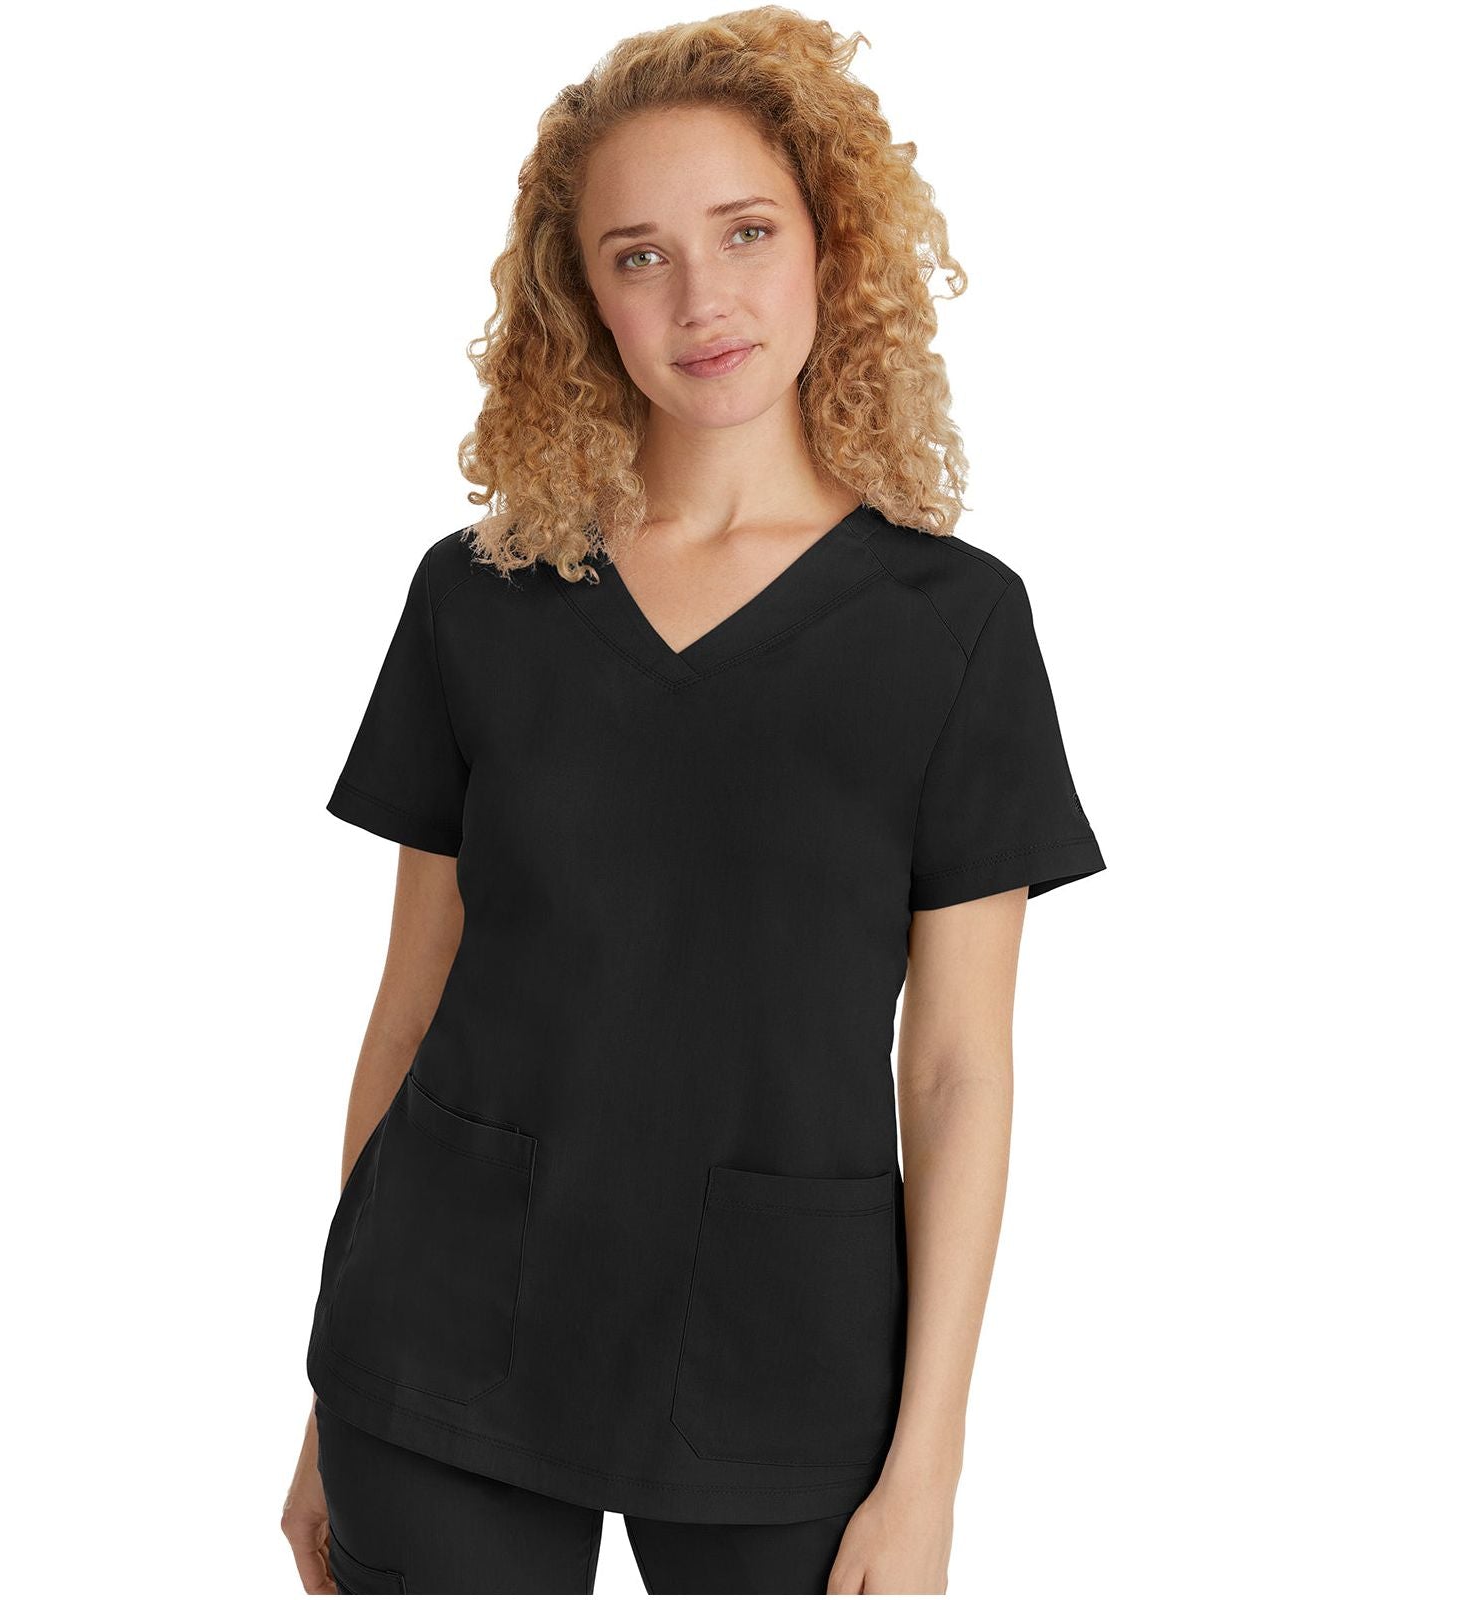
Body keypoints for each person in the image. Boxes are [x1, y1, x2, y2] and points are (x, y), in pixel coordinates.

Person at [281, 8, 1107, 1593]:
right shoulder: (479, 600)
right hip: (439, 1341)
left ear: (831, 243)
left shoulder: (954, 630)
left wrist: (928, 1465)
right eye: (639, 256)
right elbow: (411, 1004)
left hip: (785, 1357)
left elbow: (956, 1072)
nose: (702, 299)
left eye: (745, 232)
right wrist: (334, 1385)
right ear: (581, 298)